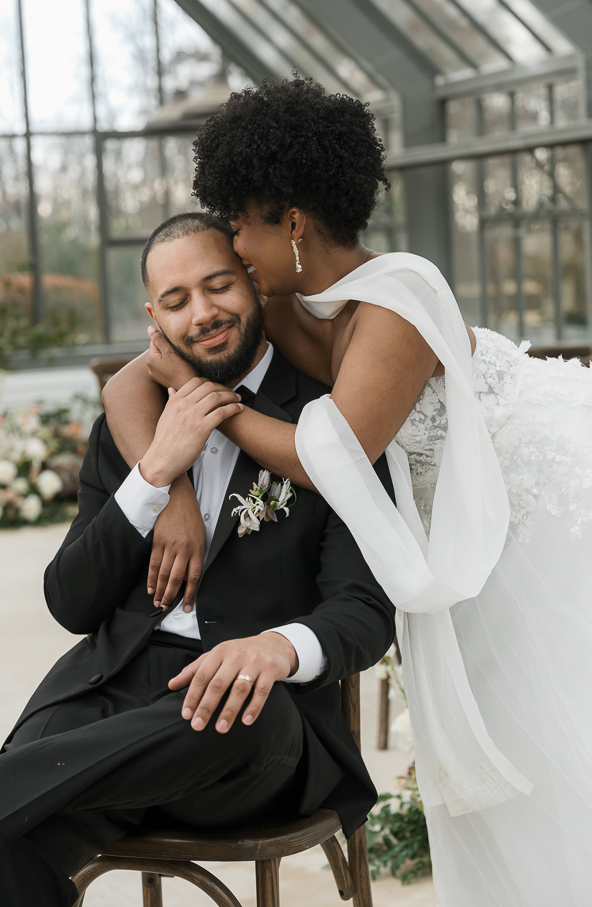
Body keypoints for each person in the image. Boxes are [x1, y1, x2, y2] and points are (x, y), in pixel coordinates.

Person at [103, 77, 592, 906]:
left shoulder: (398, 295)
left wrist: (204, 408)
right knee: (510, 744)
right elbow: (126, 387)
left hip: (541, 512)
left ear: (290, 221)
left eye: (240, 223)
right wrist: (177, 492)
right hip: (463, 531)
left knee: (553, 731)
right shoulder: (288, 298)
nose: (232, 246)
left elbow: (328, 451)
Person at [0, 213, 395, 907]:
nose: (201, 313)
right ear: (154, 318)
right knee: (14, 848)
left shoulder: (328, 419)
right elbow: (71, 603)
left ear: (255, 286)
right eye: (176, 301)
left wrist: (275, 649)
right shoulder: (130, 426)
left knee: (242, 712)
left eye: (217, 287)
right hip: (110, 699)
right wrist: (153, 479)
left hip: (249, 728)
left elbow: (363, 609)